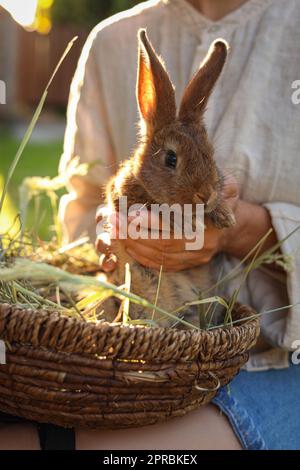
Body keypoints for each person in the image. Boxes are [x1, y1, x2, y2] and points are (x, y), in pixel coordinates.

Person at [1, 0, 300, 450]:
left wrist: (242, 230)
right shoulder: (110, 41)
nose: (200, 194)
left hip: (276, 361)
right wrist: (108, 237)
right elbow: (81, 210)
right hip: (132, 350)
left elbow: (212, 198)